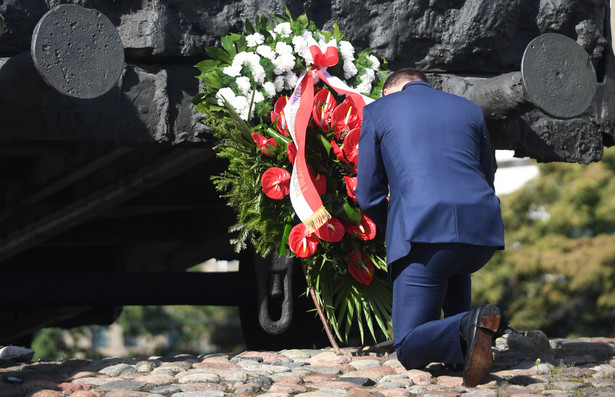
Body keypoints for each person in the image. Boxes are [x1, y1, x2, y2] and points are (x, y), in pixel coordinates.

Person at [355, 68, 506, 387]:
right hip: (481, 232)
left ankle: (469, 325)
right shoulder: (470, 108)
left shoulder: (378, 110)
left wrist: (397, 229)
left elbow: (368, 196)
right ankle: (462, 347)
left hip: (422, 231)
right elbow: (487, 176)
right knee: (452, 264)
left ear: (388, 92)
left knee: (408, 346)